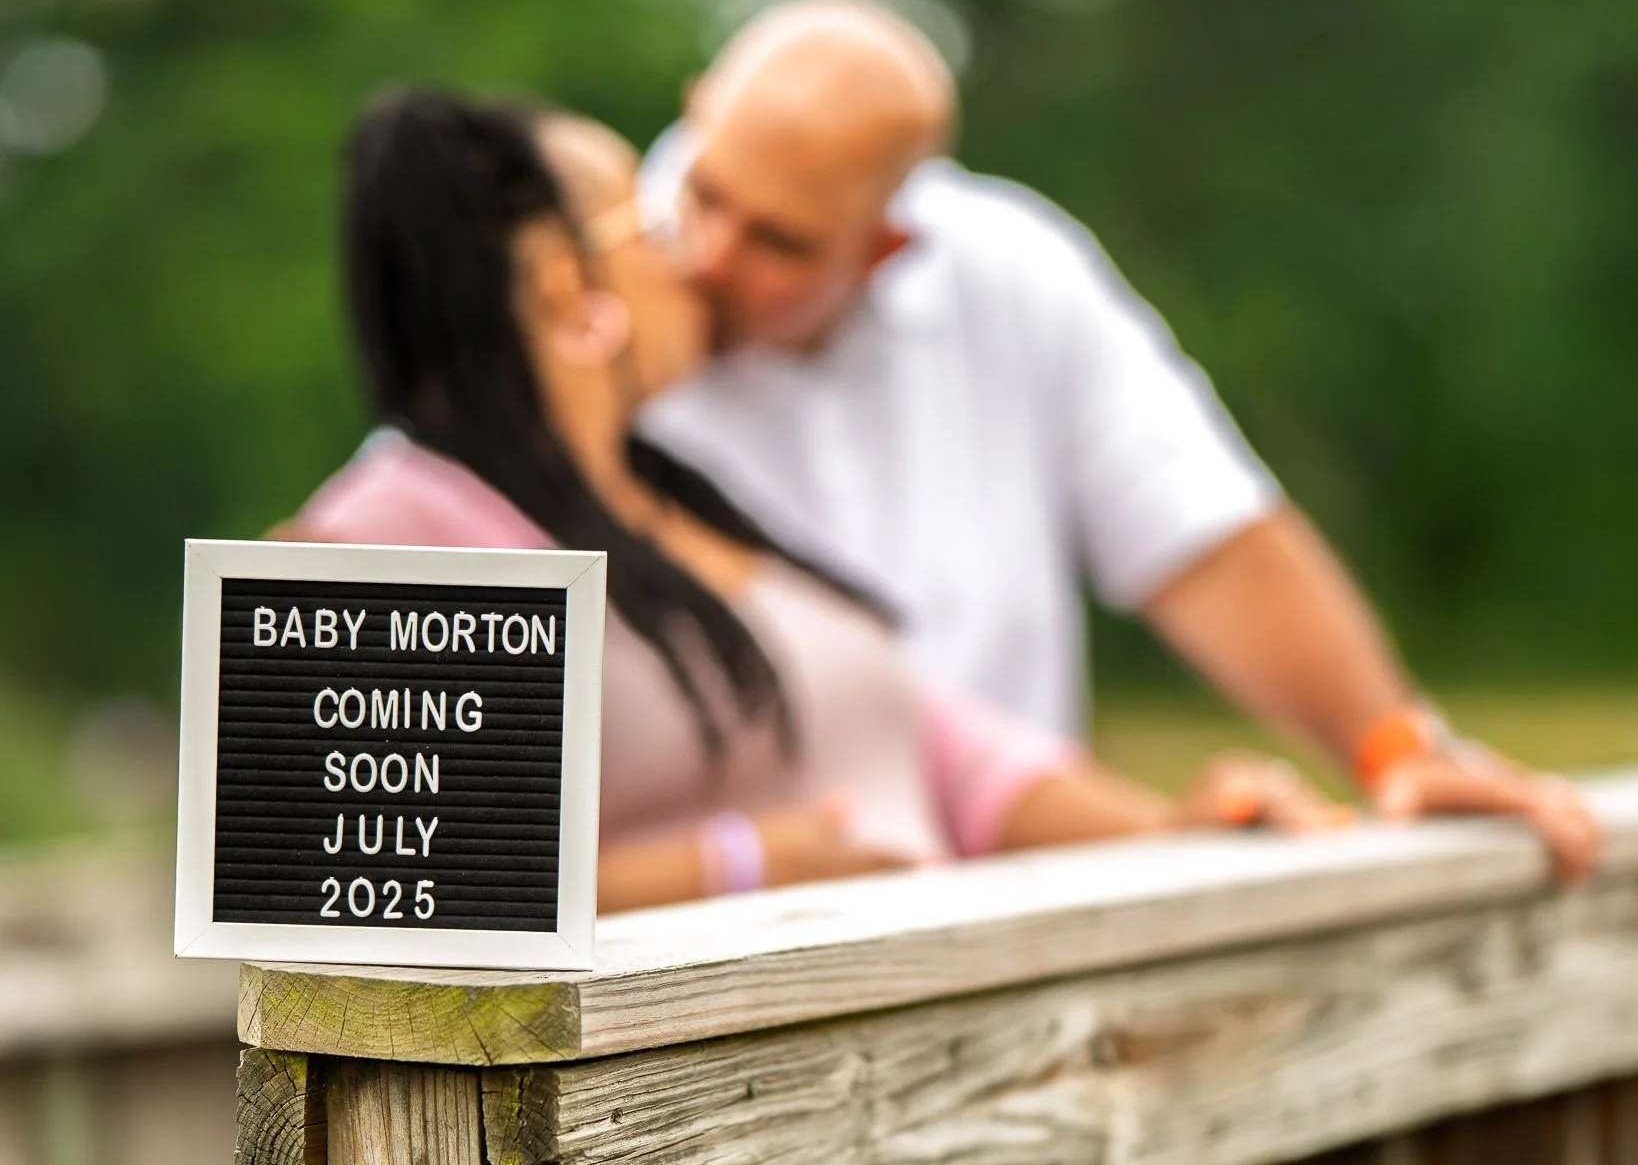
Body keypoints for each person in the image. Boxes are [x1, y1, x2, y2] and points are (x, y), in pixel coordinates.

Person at [284, 89, 1348, 912]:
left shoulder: (681, 502)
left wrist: (1167, 835)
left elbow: (942, 749)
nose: (693, 261)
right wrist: (739, 862)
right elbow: (349, 877)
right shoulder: (404, 523)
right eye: (652, 231)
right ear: (572, 293)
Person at [632, 0, 1600, 879]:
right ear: (699, 106)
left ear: (886, 243)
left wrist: (1397, 748)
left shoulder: (1012, 268)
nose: (711, 258)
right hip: (721, 940)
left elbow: (1205, 535)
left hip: (1010, 894)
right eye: (706, 195)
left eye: (782, 244)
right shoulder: (589, 287)